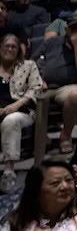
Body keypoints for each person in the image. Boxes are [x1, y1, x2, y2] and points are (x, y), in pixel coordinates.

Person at [31, 8, 77, 154]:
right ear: (66, 29)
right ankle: (39, 137)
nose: (76, 31)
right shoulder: (51, 43)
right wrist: (38, 79)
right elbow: (32, 62)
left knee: (76, 95)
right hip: (44, 85)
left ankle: (66, 136)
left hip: (70, 87)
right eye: (73, 28)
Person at [0, 32, 42, 191]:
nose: (9, 49)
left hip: (22, 112)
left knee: (10, 121)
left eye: (13, 47)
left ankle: (9, 170)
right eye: (6, 46)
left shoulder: (28, 65)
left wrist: (16, 105)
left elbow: (36, 88)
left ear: (19, 50)